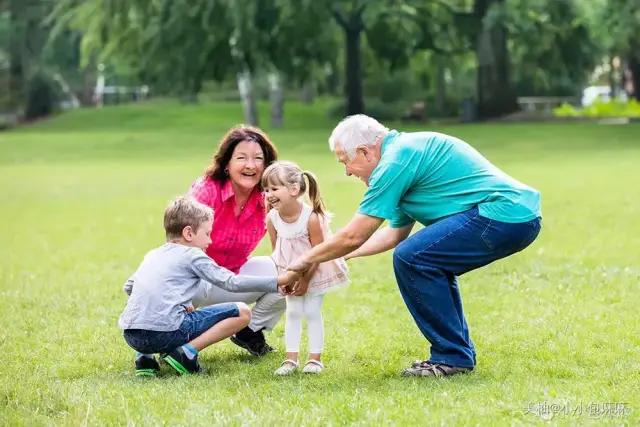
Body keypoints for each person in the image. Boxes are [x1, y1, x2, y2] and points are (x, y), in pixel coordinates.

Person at [286, 114, 542, 378]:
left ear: (364, 152)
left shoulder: (395, 161)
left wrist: (303, 261)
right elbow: (393, 233)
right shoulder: (401, 156)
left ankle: (452, 356)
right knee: (421, 258)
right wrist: (336, 258)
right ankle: (455, 355)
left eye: (346, 162)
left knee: (413, 257)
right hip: (515, 217)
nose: (347, 172)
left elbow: (354, 235)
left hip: (502, 214)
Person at [118, 196, 298, 376]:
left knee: (149, 313)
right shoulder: (193, 255)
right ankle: (185, 354)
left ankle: (145, 358)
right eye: (207, 233)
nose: (210, 241)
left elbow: (130, 287)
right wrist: (278, 280)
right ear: (188, 233)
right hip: (165, 335)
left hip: (132, 336)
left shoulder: (153, 255)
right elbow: (231, 282)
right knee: (243, 312)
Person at [188, 125, 285, 357]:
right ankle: (177, 337)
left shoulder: (268, 199)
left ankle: (249, 331)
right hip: (193, 282)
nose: (250, 165)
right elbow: (179, 248)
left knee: (290, 271)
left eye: (258, 159)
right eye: (241, 158)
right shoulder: (206, 191)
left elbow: (285, 245)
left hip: (231, 278)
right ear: (226, 164)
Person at [261, 161, 349, 376]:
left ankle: (314, 359)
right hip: (289, 273)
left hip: (314, 271)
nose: (268, 194)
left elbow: (318, 253)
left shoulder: (311, 218)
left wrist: (306, 279)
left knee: (311, 311)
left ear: (293, 190)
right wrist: (283, 278)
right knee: (292, 312)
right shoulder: (272, 218)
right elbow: (277, 251)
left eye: (274, 188)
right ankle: (291, 360)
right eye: (265, 189)